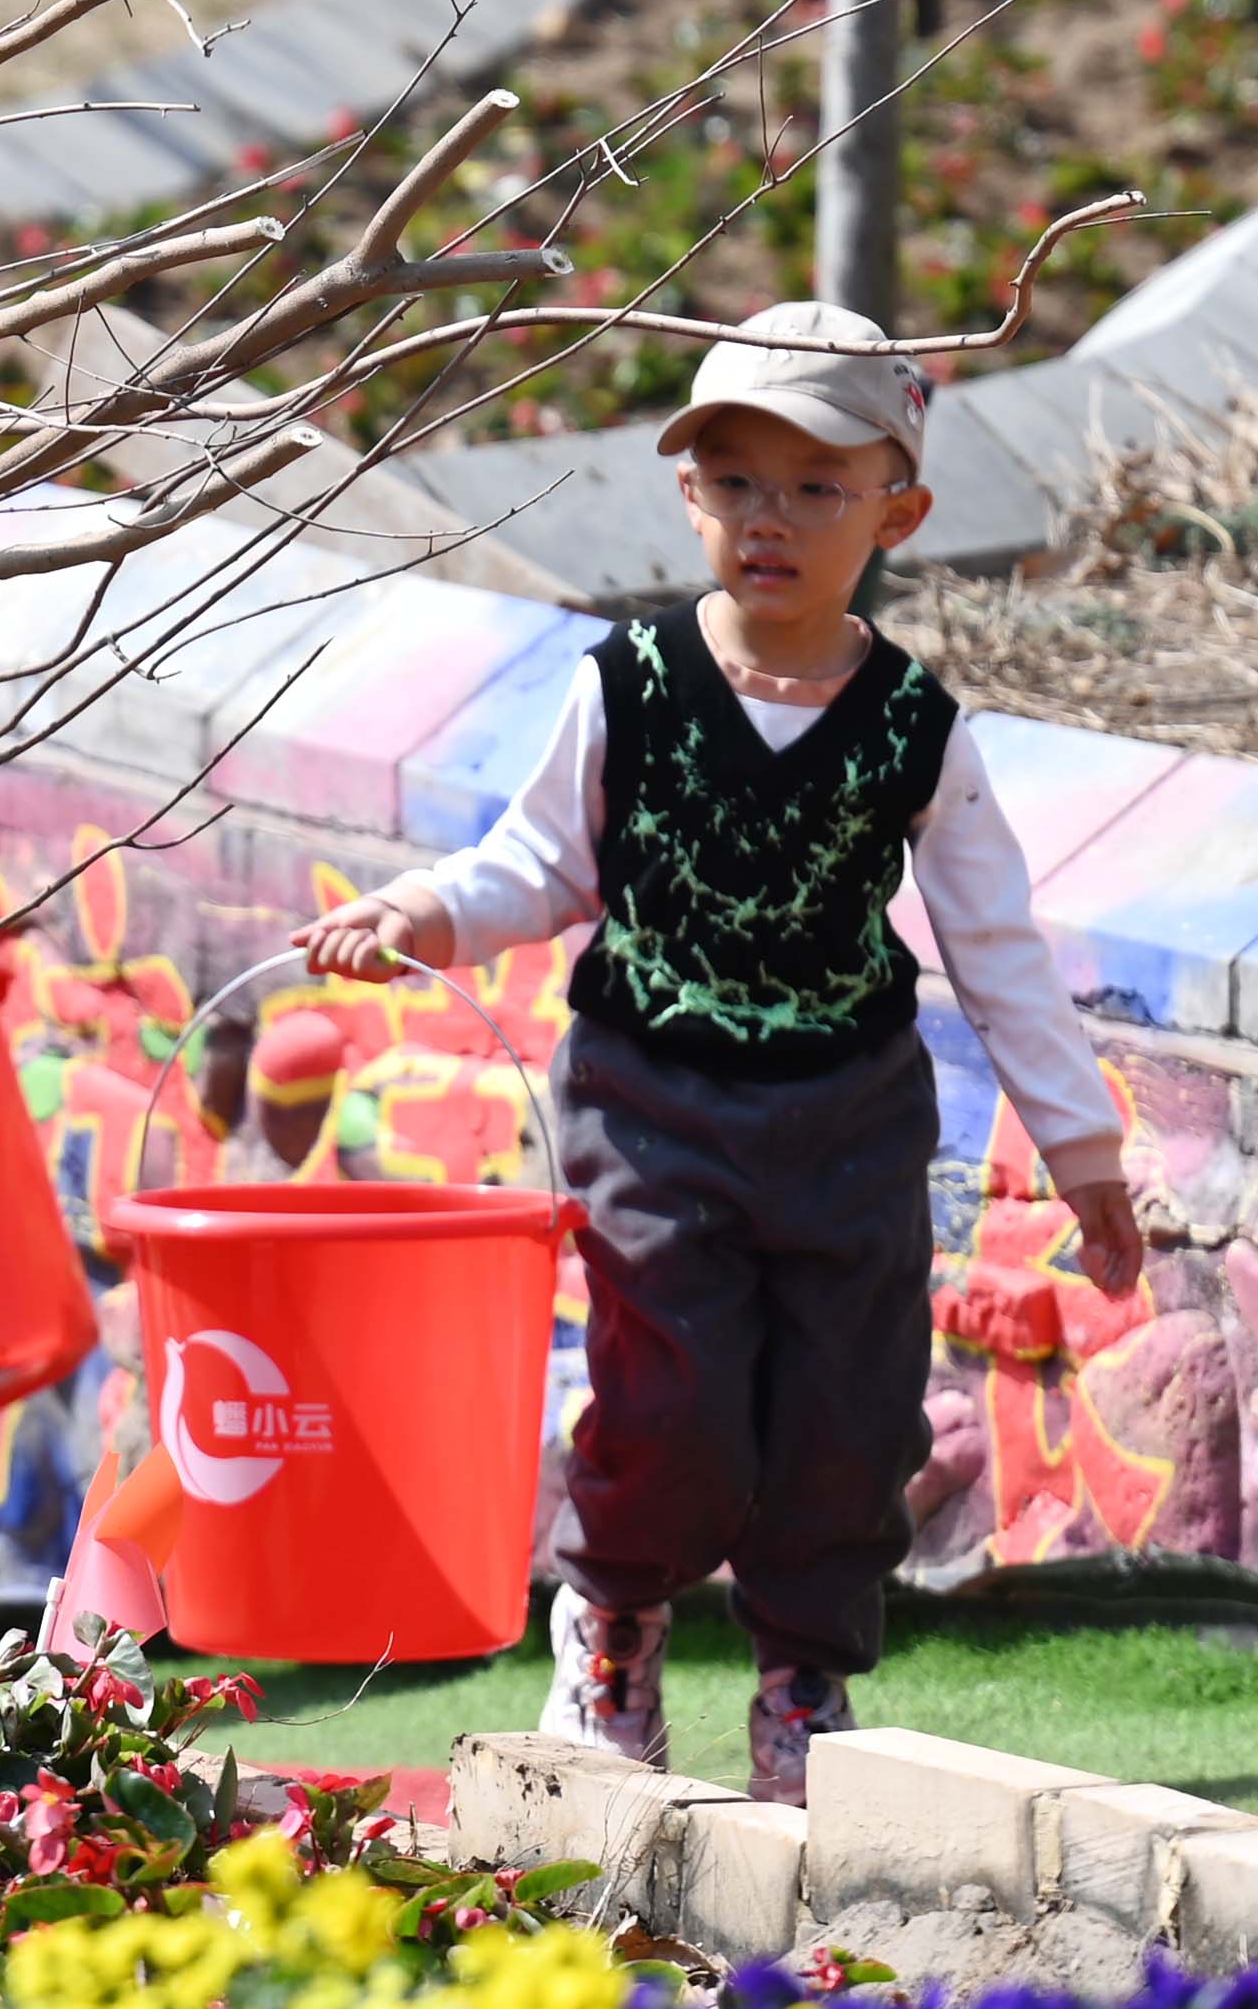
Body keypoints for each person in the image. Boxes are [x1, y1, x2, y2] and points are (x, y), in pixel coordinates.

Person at [293, 297, 1143, 1797]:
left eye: (822, 486)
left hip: (849, 1117)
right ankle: (614, 1630)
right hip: (653, 1107)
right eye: (739, 481)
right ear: (688, 495)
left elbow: (999, 947)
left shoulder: (911, 726)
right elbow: (536, 866)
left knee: (847, 1410)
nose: (776, 518)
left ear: (901, 507)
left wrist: (1083, 1159)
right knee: (669, 1392)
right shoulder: (623, 687)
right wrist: (423, 910)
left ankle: (803, 1684)